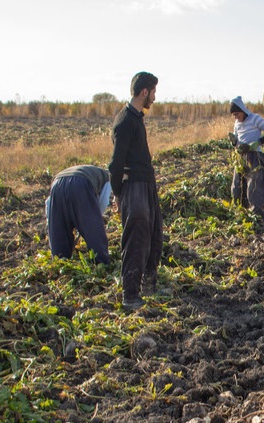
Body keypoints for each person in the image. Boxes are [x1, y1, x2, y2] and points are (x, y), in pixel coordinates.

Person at [109, 71, 162, 310]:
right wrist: (119, 194)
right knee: (136, 239)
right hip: (134, 187)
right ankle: (130, 295)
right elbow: (115, 163)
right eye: (153, 92)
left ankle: (150, 284)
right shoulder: (125, 121)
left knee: (154, 236)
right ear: (144, 92)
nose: (155, 97)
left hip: (146, 185)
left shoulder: (136, 117)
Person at [229, 96, 264, 227]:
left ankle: (257, 214)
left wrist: (258, 142)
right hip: (241, 157)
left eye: (237, 114)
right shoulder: (237, 123)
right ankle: (240, 211)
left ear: (243, 110)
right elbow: (237, 140)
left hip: (255, 156)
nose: (236, 117)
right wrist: (234, 142)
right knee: (237, 185)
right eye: (233, 115)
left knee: (255, 186)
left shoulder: (255, 118)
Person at [46, 165, 112, 264]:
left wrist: (54, 220)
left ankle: (60, 261)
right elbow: (103, 202)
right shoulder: (107, 177)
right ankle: (101, 262)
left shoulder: (91, 171)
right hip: (80, 184)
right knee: (94, 231)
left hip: (57, 185)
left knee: (59, 231)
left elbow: (49, 204)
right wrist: (92, 219)